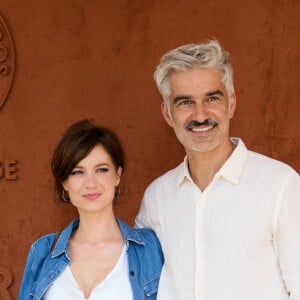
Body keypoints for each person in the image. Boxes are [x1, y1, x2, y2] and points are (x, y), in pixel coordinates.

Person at [135, 39, 300, 300]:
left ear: (231, 104)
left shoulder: (281, 185)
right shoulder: (157, 197)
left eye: (211, 98)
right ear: (167, 113)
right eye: (185, 103)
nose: (200, 116)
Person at [19, 119, 164, 300]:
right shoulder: (42, 252)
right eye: (78, 172)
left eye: (101, 170)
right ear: (64, 182)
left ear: (117, 176)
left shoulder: (150, 248)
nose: (91, 183)